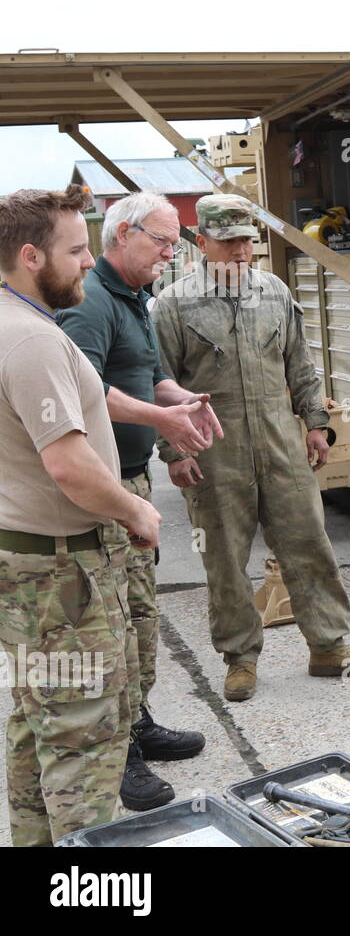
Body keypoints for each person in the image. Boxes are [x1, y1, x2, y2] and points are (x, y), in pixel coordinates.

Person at [152, 194, 350, 702]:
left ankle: (328, 647)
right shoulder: (172, 305)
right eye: (229, 241)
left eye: (247, 241)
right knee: (224, 557)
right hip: (214, 449)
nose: (240, 251)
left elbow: (300, 364)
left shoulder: (275, 293)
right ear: (203, 241)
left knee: (308, 542)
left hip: (281, 442)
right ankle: (239, 658)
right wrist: (176, 451)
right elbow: (159, 382)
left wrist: (316, 424)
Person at [0, 185, 161, 845]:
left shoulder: (14, 325)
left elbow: (81, 401)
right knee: (85, 745)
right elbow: (67, 465)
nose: (90, 264)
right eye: (76, 250)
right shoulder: (33, 340)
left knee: (35, 725)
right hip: (61, 573)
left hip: (27, 562)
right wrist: (136, 511)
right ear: (32, 257)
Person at [58, 192, 217, 812]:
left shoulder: (133, 298)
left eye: (175, 242)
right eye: (162, 240)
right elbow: (86, 389)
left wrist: (180, 402)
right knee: (113, 625)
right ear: (121, 235)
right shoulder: (92, 302)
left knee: (141, 618)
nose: (171, 252)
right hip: (107, 487)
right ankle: (116, 750)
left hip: (134, 476)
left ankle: (137, 722)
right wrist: (162, 419)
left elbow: (142, 374)